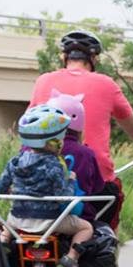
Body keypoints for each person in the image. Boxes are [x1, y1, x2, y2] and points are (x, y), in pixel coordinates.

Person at [28, 30, 133, 231]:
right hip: (92, 180)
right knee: (106, 237)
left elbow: (28, 124)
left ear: (64, 56)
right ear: (94, 58)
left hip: (39, 177)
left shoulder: (43, 81)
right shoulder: (106, 84)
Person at [0, 105, 91, 267]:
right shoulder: (53, 165)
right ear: (50, 143)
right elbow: (64, 197)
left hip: (18, 220)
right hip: (48, 223)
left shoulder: (15, 161)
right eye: (58, 140)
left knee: (8, 219)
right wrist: (70, 180)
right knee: (86, 228)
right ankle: (71, 259)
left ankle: (3, 242)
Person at [45, 89, 106, 221]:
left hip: (37, 213)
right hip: (78, 214)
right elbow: (97, 187)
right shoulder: (86, 154)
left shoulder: (30, 150)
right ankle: (77, 243)